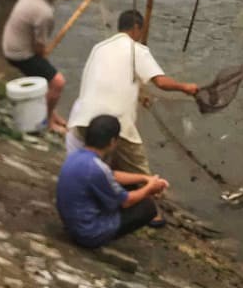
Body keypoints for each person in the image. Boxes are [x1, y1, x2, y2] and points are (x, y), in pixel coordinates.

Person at [65, 9, 198, 176]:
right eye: (141, 31)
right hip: (115, 126)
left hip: (83, 121)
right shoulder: (137, 50)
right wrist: (185, 87)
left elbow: (114, 78)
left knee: (102, 167)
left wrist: (140, 95)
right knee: (143, 177)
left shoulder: (99, 48)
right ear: (136, 28)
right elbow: (161, 82)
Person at [0, 0, 95, 132]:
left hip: (11, 41)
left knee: (47, 79)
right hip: (19, 54)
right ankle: (49, 121)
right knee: (57, 83)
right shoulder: (43, 13)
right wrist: (42, 57)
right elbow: (39, 46)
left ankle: (50, 112)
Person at [56, 115, 169, 248]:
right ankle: (104, 235)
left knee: (130, 186)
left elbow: (112, 175)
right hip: (88, 233)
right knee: (147, 207)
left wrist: (144, 178)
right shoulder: (98, 169)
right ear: (112, 141)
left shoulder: (77, 156)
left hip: (73, 222)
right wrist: (149, 188)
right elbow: (126, 201)